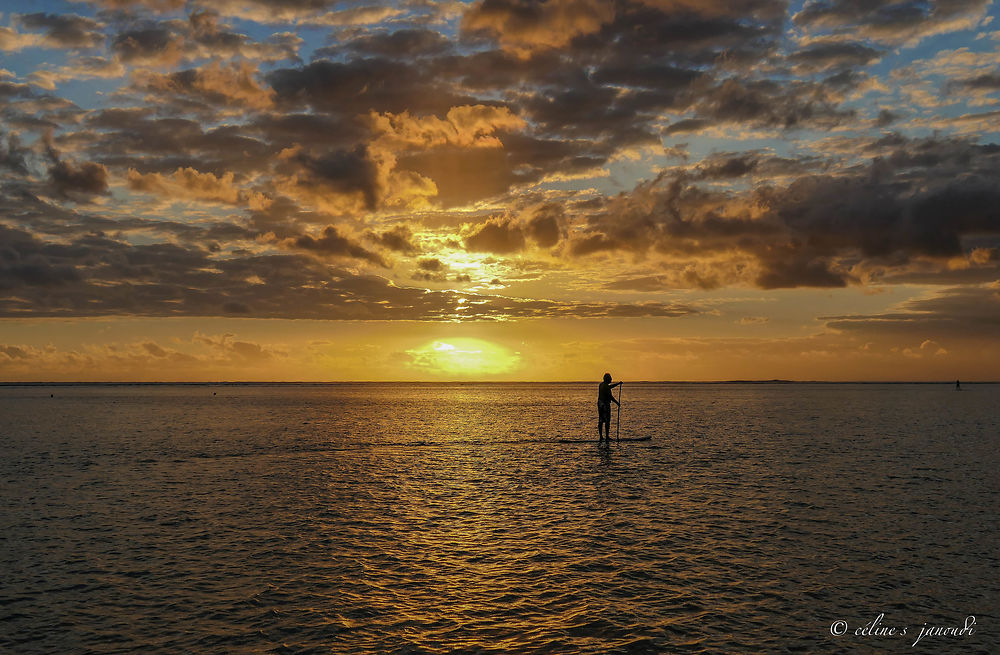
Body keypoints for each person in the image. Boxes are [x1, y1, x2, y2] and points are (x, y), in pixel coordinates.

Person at [598, 373, 622, 444]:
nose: (611, 380)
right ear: (607, 379)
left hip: (601, 404)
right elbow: (610, 396)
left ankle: (602, 437)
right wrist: (617, 403)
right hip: (604, 405)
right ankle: (605, 437)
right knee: (606, 421)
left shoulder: (602, 385)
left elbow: (609, 390)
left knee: (601, 420)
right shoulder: (604, 386)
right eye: (610, 379)